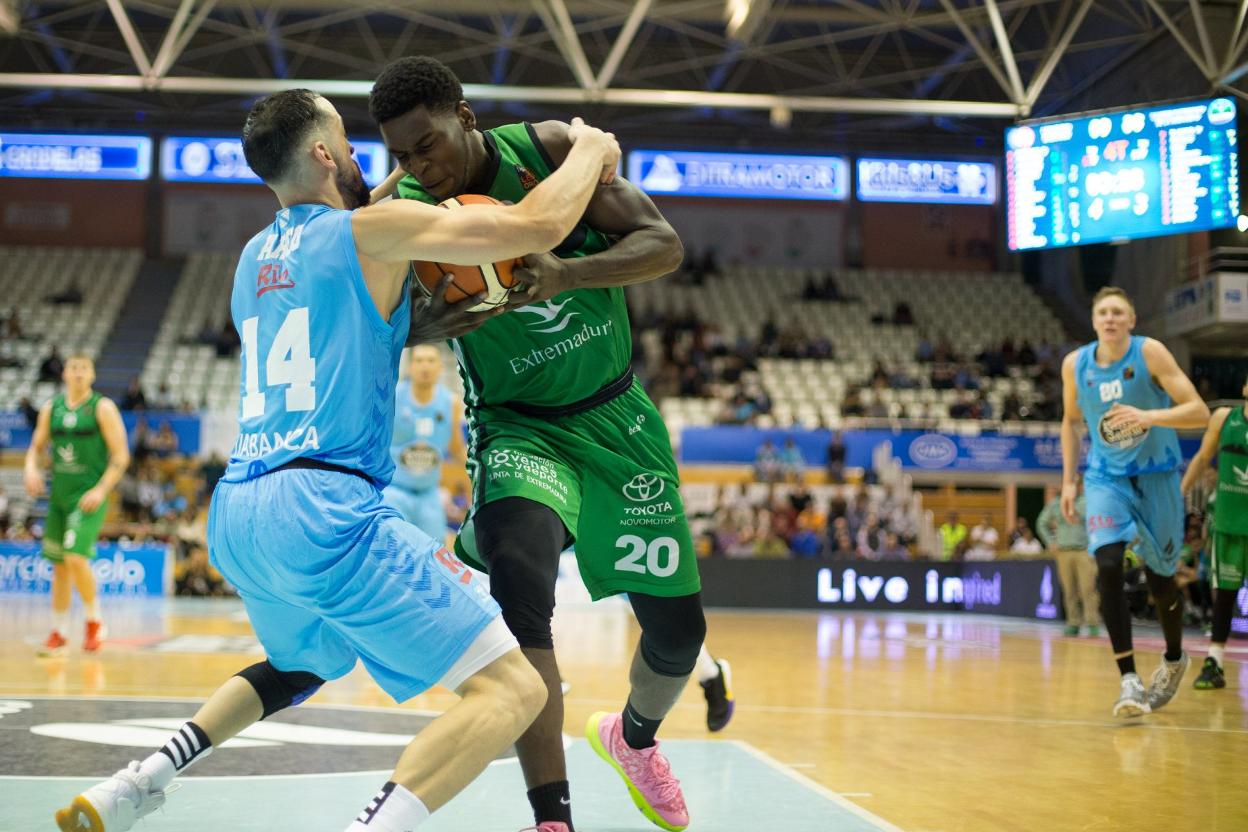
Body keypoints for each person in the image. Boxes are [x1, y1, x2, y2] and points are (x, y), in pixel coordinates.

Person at [53, 87, 621, 832]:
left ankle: (135, 782)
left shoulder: (252, 260)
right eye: (350, 145)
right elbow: (537, 223)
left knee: (303, 665)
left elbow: (343, 253)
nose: (364, 158)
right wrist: (590, 150)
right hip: (325, 509)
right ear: (323, 154)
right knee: (515, 690)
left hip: (241, 512)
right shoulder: (368, 233)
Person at [371, 56, 702, 832]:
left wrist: (565, 274)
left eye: (427, 145)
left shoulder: (550, 150)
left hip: (617, 419)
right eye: (401, 157)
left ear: (464, 115)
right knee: (522, 581)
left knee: (679, 634)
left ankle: (634, 739)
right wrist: (435, 321)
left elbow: (664, 245)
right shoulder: (410, 209)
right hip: (516, 424)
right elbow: (386, 324)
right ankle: (552, 818)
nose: (419, 167)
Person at [1060, 286, 1209, 718]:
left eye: (1117, 312)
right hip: (1106, 478)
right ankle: (1128, 679)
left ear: (1131, 320)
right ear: (1093, 321)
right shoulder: (1076, 365)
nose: (1109, 318)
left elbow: (1198, 412)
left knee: (1162, 583)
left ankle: (1175, 657)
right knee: (1106, 564)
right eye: (1102, 312)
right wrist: (1068, 482)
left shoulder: (1150, 354)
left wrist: (1150, 416)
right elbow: (1070, 422)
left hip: (1158, 477)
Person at [25, 355, 130, 657]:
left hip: (87, 497)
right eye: (74, 368)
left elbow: (121, 456)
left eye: (84, 368)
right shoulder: (51, 408)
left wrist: (100, 490)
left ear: (93, 374)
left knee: (74, 557)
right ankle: (58, 632)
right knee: (59, 566)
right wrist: (31, 468)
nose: (79, 373)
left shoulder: (102, 407)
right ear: (65, 374)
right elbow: (36, 447)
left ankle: (94, 621)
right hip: (58, 497)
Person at [1180, 375, 1248, 691]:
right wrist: (1181, 491)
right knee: (1225, 594)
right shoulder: (1224, 419)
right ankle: (1214, 662)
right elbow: (1202, 458)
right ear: (1244, 388)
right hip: (1229, 524)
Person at [382, 344, 465, 541]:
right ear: (410, 366)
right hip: (394, 491)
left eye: (431, 361)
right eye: (419, 360)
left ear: (439, 368)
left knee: (434, 554)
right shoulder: (392, 397)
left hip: (429, 494)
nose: (425, 366)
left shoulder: (450, 403)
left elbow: (456, 448)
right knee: (393, 549)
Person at [1037, 477, 1099, 637]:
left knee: (1088, 588)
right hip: (1063, 551)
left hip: (1084, 550)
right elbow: (1041, 523)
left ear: (1080, 486)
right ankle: (1073, 622)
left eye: (1077, 483)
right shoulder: (1056, 503)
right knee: (1069, 589)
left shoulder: (1088, 501)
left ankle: (1092, 623)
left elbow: (1097, 522)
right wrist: (1050, 541)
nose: (1074, 486)